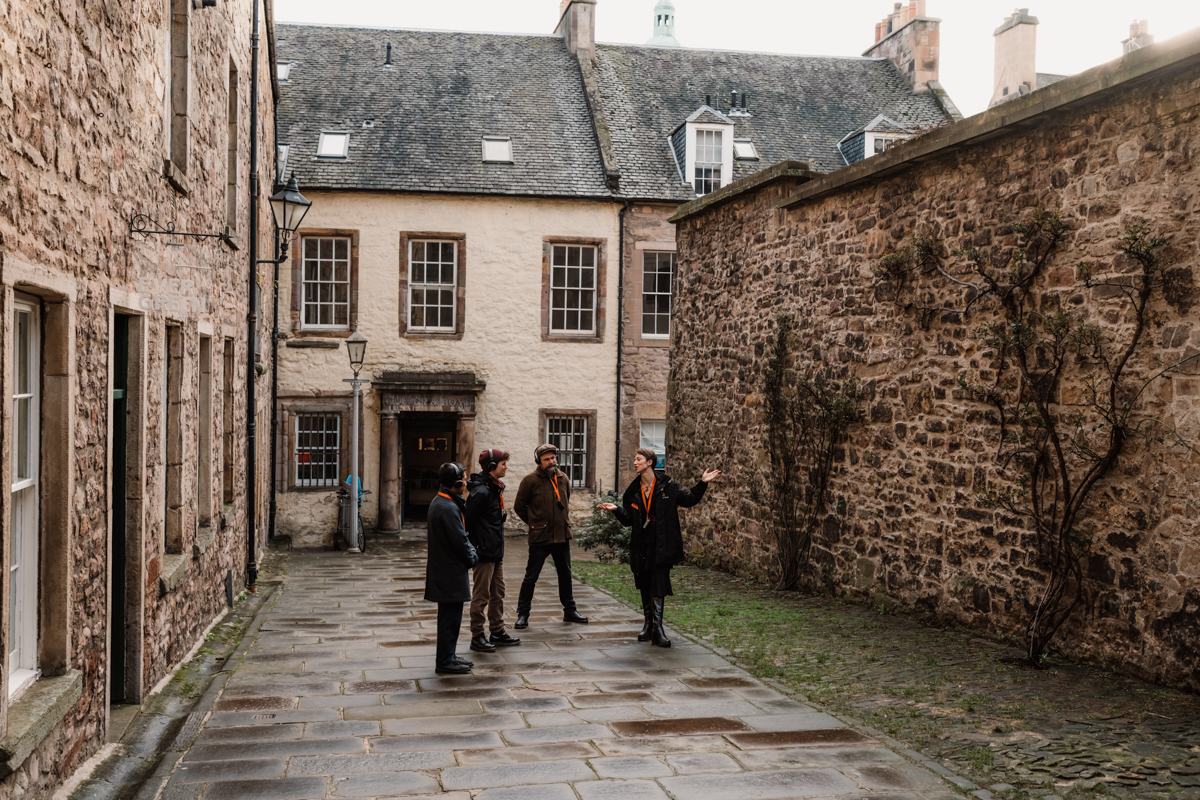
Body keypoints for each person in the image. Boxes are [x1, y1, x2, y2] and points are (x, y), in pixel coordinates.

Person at [598, 449, 720, 647]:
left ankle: (658, 628)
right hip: (641, 544)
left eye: (638, 460)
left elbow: (689, 499)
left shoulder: (668, 486)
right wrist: (616, 510)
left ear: (649, 462)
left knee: (659, 583)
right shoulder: (633, 491)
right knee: (644, 582)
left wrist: (703, 483)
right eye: (635, 459)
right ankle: (648, 625)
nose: (635, 463)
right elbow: (629, 520)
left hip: (661, 544)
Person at [512, 443, 589, 629]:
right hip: (540, 538)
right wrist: (534, 523)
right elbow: (519, 506)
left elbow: (566, 501)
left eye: (553, 458)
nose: (552, 461)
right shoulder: (530, 480)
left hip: (561, 536)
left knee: (565, 575)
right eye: (547, 459)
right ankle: (523, 614)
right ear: (539, 461)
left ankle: (570, 611)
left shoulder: (563, 478)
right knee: (531, 577)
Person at [424, 462, 479, 674]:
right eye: (464, 479)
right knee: (449, 619)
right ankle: (445, 660)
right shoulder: (446, 507)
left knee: (451, 618)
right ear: (456, 482)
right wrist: (473, 556)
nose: (466, 482)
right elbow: (459, 541)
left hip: (447, 569)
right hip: (449, 571)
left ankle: (450, 655)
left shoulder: (444, 502)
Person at [464, 449, 522, 653]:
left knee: (498, 592)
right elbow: (467, 522)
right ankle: (477, 636)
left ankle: (497, 631)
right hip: (484, 552)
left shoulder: (494, 487)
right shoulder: (481, 492)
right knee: (481, 596)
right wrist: (477, 547)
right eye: (503, 463)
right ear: (491, 467)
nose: (506, 467)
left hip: (496, 551)